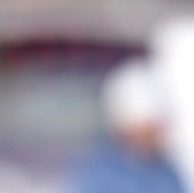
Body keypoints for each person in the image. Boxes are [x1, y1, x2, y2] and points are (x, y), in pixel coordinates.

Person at [67, 59, 187, 193]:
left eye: (159, 125)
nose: (159, 134)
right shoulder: (99, 174)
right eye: (150, 127)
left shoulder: (165, 172)